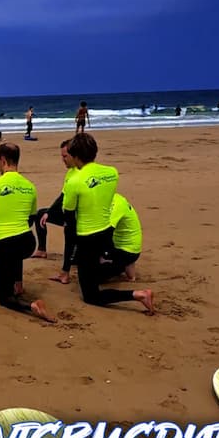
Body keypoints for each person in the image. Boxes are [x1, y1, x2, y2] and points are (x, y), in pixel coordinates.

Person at [61, 134, 154, 313]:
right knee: (91, 273)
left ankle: (139, 295)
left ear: (75, 156)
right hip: (106, 235)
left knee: (90, 295)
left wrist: (71, 254)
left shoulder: (73, 182)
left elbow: (70, 219)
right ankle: (119, 267)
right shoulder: (112, 172)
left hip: (87, 238)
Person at [0, 142, 55, 321]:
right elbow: (31, 219)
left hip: (8, 244)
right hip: (28, 242)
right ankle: (18, 284)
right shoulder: (30, 186)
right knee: (15, 248)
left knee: (4, 298)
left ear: (2, 160)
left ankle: (32, 306)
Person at [33, 139, 78, 285]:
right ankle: (41, 250)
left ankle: (65, 273)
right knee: (40, 214)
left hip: (77, 216)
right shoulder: (70, 172)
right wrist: (50, 212)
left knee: (69, 233)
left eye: (65, 156)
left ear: (74, 155)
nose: (62, 160)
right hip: (67, 211)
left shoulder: (79, 174)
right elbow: (62, 195)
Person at [99, 193, 143, 282]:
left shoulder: (116, 204)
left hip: (126, 250)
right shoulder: (114, 198)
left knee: (92, 275)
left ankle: (122, 265)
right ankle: (126, 266)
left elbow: (106, 231)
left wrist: (103, 255)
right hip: (125, 246)